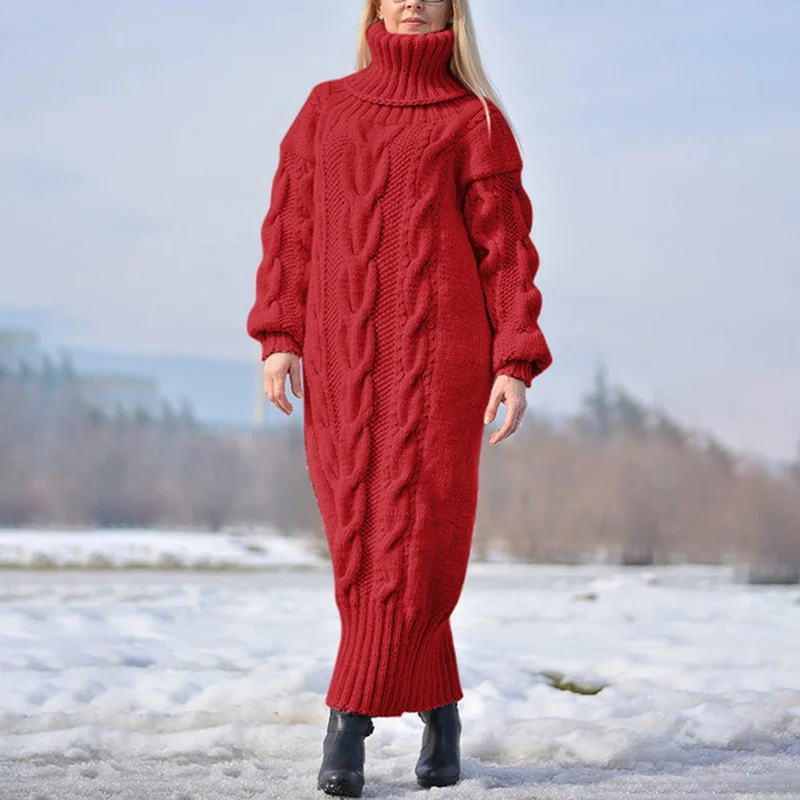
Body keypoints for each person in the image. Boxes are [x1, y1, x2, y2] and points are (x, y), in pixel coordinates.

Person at [246, 0, 553, 795]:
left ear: (454, 9)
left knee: (419, 538)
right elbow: (291, 229)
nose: (412, 2)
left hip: (442, 361)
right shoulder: (325, 108)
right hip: (341, 359)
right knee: (362, 537)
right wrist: (279, 335)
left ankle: (346, 724)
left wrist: (514, 360)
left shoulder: (475, 120)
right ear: (376, 7)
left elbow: (507, 252)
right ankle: (442, 711)